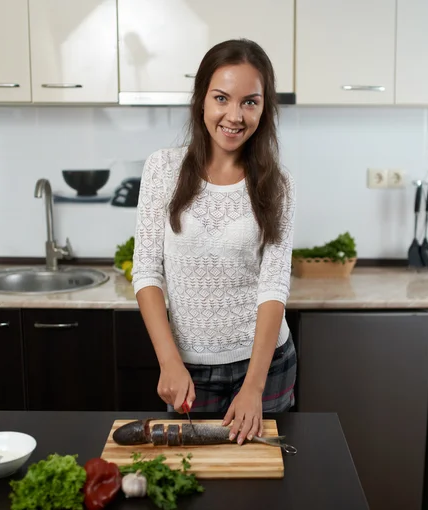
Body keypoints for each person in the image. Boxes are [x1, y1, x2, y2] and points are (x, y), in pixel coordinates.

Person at [131, 38, 297, 445]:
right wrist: (168, 360)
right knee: (193, 483)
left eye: (250, 102)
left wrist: (254, 387)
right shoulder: (162, 169)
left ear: (264, 107)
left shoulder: (278, 185)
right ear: (201, 99)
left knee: (263, 484)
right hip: (186, 370)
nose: (234, 115)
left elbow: (273, 286)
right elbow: (147, 270)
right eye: (222, 98)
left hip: (264, 365)